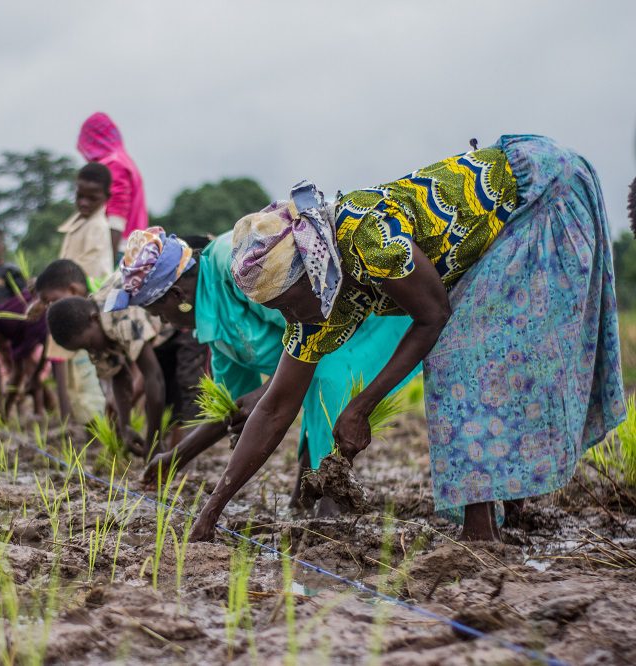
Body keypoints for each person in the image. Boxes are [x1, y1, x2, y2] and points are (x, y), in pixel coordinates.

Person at [188, 135, 626, 543]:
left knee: (465, 355)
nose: (288, 317)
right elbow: (276, 407)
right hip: (496, 235)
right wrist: (211, 513)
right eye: (276, 309)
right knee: (477, 352)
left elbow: (433, 316)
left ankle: (483, 528)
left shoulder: (364, 237)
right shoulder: (315, 304)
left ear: (309, 271)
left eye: (287, 302)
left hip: (540, 192)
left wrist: (360, 407)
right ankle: (500, 511)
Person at [104, 228, 414, 503]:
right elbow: (237, 408)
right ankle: (308, 499)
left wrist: (266, 391)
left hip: (367, 313)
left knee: (325, 382)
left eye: (158, 313)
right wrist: (174, 458)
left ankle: (329, 501)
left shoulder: (238, 265)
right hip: (324, 342)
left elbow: (317, 328)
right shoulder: (217, 326)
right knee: (306, 387)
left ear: (176, 295)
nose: (163, 322)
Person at [46, 280, 165, 457]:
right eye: (84, 349)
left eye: (89, 344)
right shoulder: (95, 332)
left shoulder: (121, 315)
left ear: (94, 319)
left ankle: (169, 454)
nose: (91, 351)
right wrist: (125, 427)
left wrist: (152, 443)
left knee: (177, 395)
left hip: (177, 325)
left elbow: (153, 376)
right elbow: (118, 375)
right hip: (156, 333)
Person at [34, 260, 107, 424]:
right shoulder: (74, 321)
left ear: (73, 290)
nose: (49, 307)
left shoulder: (103, 303)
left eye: (51, 301)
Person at [0, 295, 49, 418]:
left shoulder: (12, 322)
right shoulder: (9, 329)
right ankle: (47, 411)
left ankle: (48, 415)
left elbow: (22, 370)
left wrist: (5, 411)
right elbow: (18, 371)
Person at [77, 112, 148, 253]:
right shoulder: (124, 160)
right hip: (133, 244)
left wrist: (108, 261)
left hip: (120, 247)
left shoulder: (114, 165)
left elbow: (117, 216)